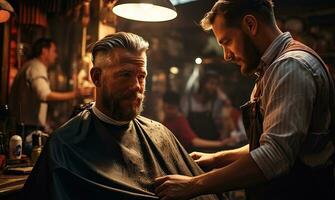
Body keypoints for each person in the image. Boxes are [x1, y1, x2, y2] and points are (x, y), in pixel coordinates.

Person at [154, 1, 335, 200]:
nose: (226, 56)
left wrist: (194, 185)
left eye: (227, 41)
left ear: (250, 24)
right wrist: (216, 158)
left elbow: (274, 156)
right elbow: (268, 143)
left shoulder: (290, 67)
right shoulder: (270, 71)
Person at [22, 32, 225, 200]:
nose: (137, 86)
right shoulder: (64, 144)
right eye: (125, 75)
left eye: (141, 76)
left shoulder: (160, 134)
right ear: (96, 77)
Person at [9, 38, 91, 133]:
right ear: (44, 51)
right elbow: (45, 95)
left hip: (25, 124)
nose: (56, 55)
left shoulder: (32, 65)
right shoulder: (36, 67)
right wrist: (75, 94)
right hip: (28, 127)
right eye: (54, 51)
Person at [163, 90, 235, 152]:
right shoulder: (166, 120)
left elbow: (195, 142)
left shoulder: (179, 121)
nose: (169, 111)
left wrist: (220, 144)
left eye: (171, 108)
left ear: (177, 107)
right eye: (167, 108)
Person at [181, 71, 230, 140]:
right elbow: (182, 123)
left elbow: (222, 123)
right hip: (193, 143)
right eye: (211, 83)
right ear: (202, 83)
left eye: (216, 85)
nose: (214, 87)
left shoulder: (214, 103)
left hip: (212, 143)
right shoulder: (188, 100)